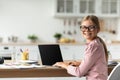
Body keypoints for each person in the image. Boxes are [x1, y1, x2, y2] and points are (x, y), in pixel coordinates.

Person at [53, 15, 108, 80]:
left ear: (98, 29)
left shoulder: (93, 46)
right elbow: (93, 64)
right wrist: (79, 63)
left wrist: (64, 65)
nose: (87, 30)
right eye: (83, 27)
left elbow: (79, 72)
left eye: (91, 27)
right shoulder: (97, 43)